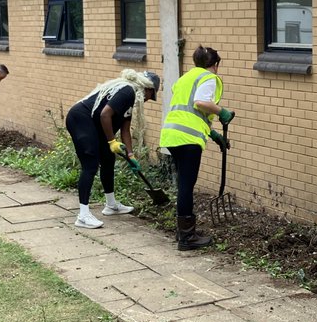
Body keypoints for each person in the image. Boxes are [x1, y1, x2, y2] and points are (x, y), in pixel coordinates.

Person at [65, 69, 161, 229]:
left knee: (108, 159)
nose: (148, 100)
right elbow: (105, 115)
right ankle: (83, 215)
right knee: (90, 164)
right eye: (151, 96)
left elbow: (125, 129)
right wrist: (111, 141)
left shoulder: (130, 98)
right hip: (80, 119)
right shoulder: (127, 91)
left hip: (93, 125)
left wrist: (130, 155)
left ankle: (111, 205)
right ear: (148, 89)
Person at [159, 45, 233, 251]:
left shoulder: (184, 79)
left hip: (172, 135)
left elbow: (190, 113)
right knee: (186, 185)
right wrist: (222, 112)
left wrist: (215, 135)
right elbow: (201, 103)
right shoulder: (209, 78)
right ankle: (186, 237)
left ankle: (182, 231)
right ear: (215, 65)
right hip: (188, 139)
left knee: (184, 183)